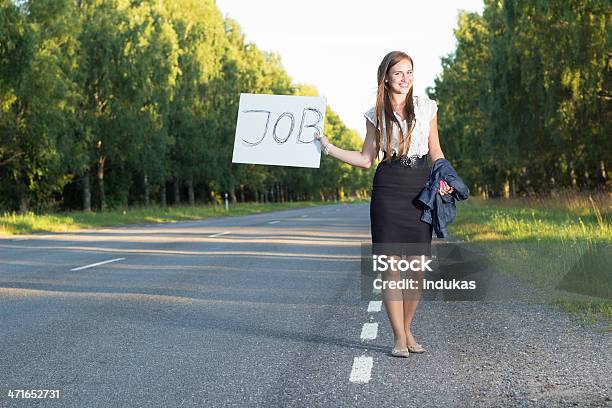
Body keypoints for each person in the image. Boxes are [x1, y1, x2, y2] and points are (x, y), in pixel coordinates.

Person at [315, 51, 454, 358]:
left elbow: (436, 150)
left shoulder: (427, 107)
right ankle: (399, 339)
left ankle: (407, 331)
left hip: (421, 188)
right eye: (399, 73)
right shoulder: (375, 114)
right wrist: (329, 148)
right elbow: (366, 159)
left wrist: (445, 175)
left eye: (410, 72)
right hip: (388, 189)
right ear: (386, 78)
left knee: (417, 269)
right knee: (391, 267)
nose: (405, 79)